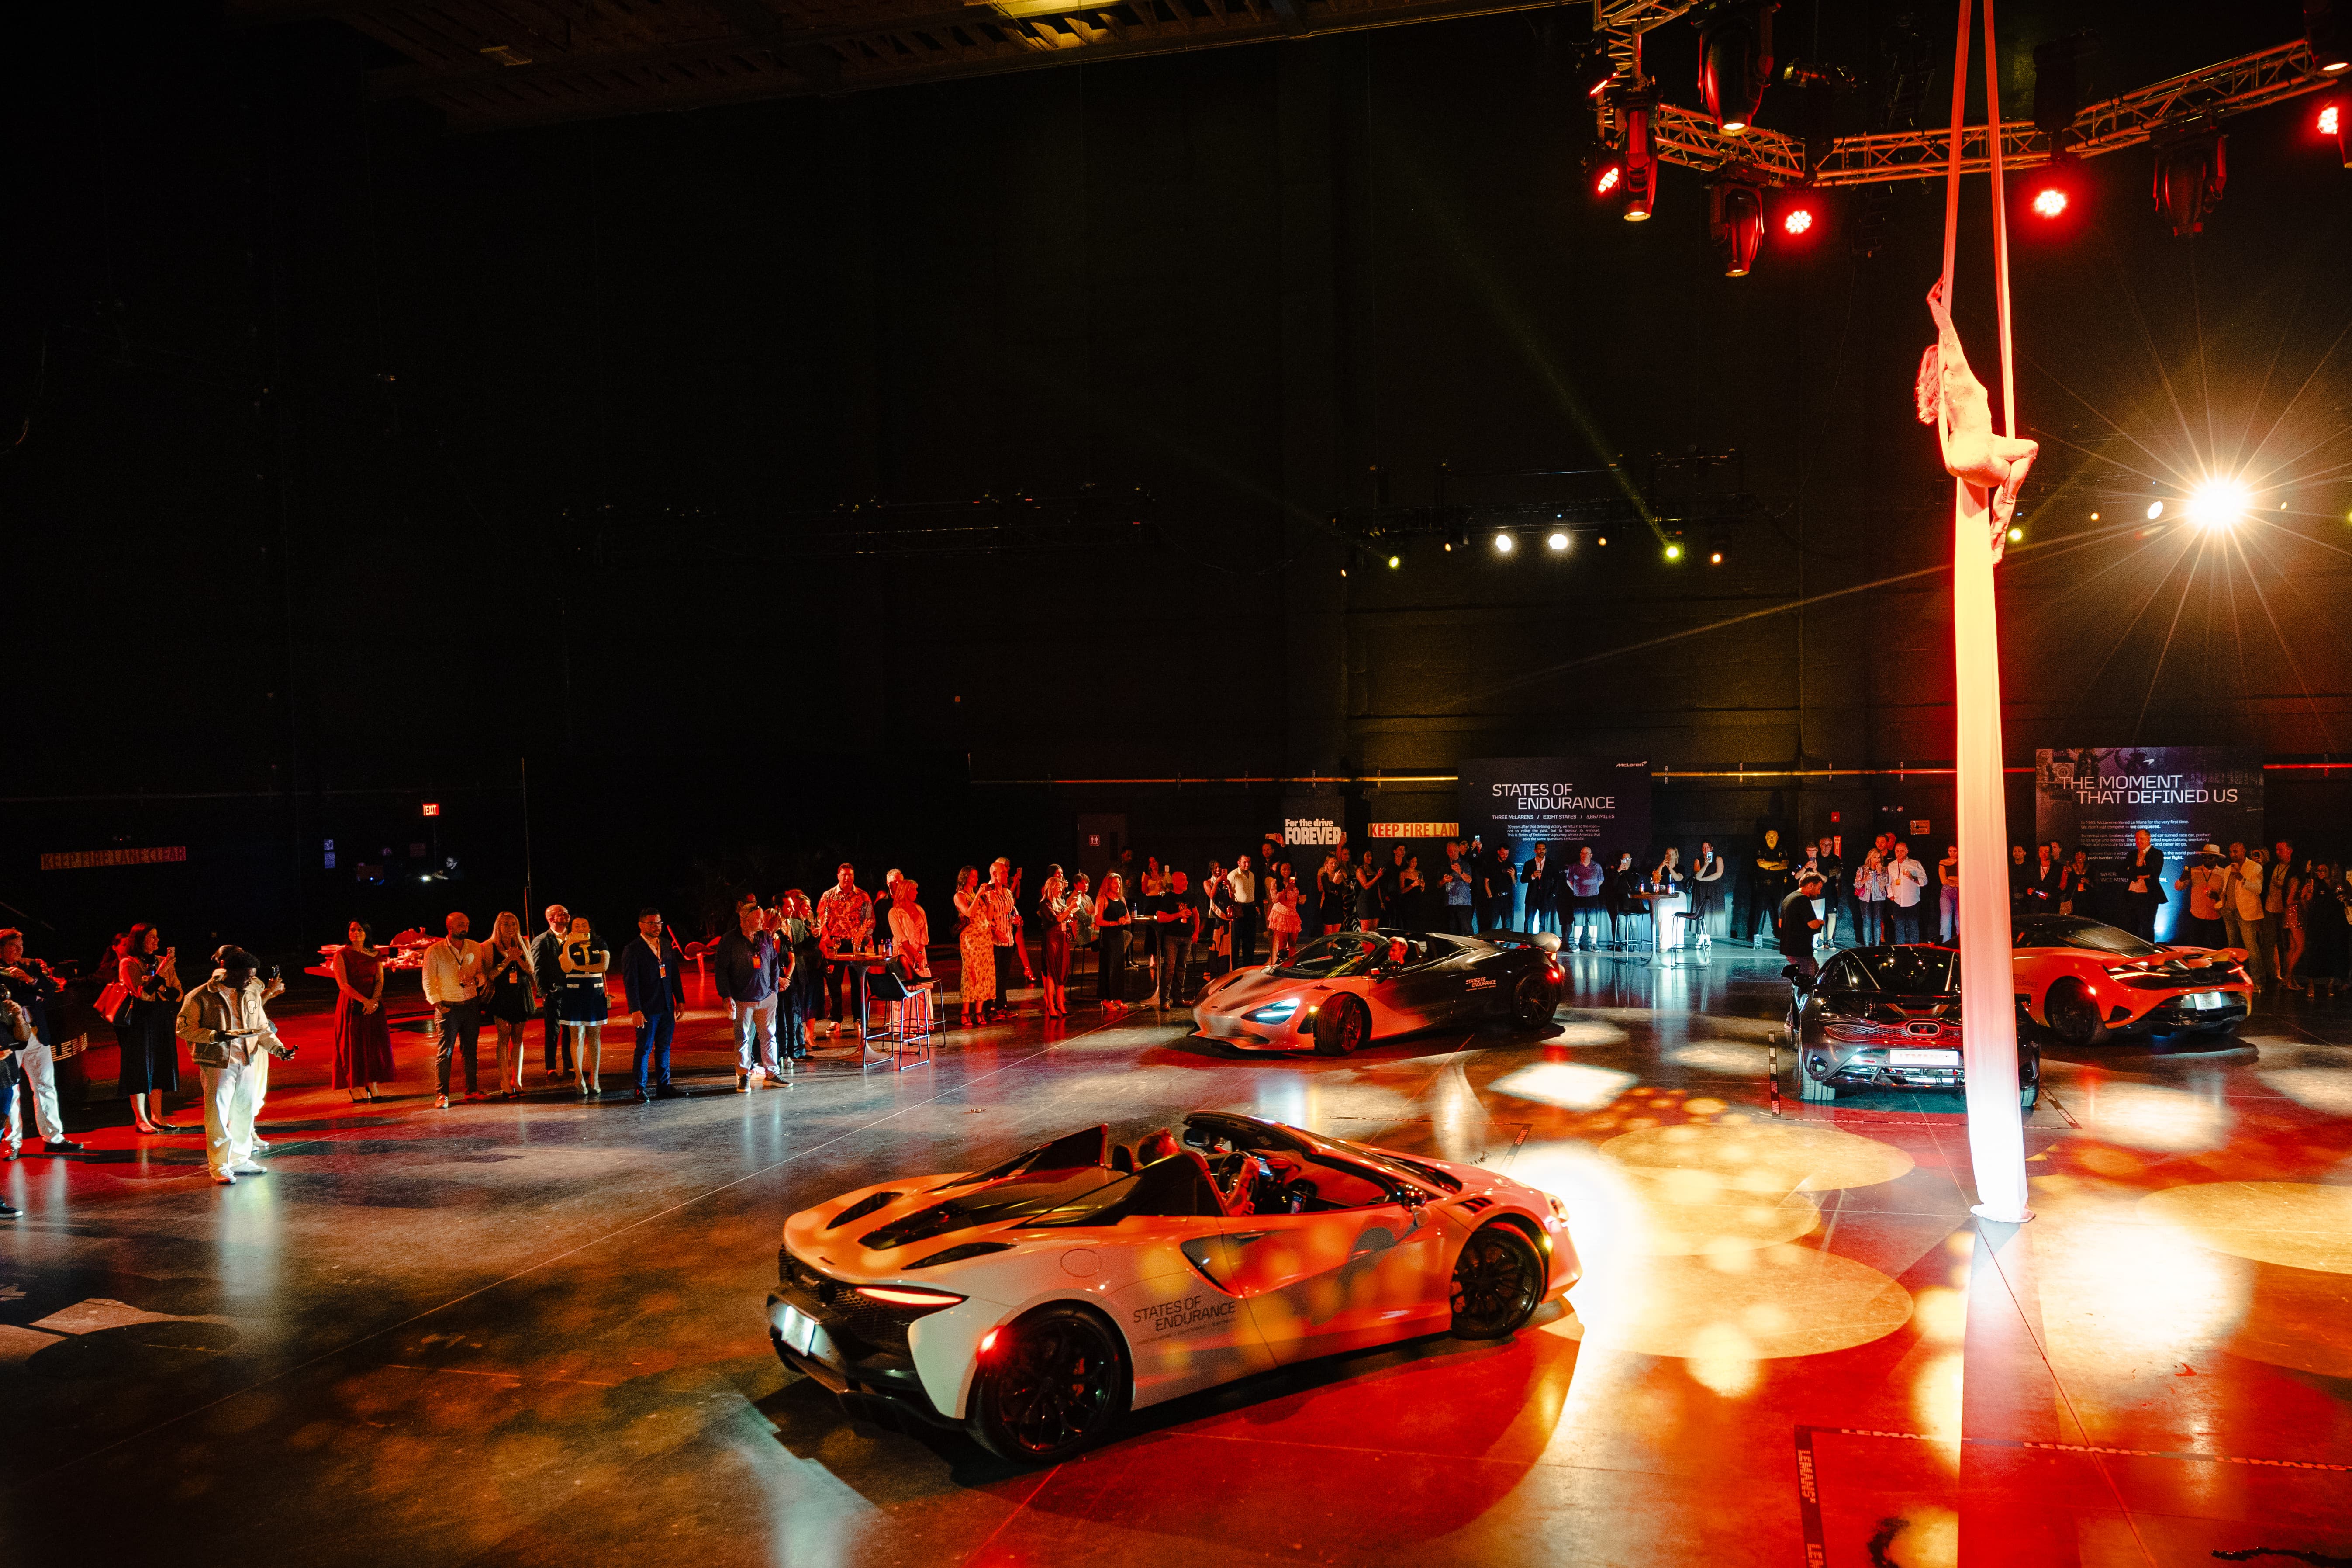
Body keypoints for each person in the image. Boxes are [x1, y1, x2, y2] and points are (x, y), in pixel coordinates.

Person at [1921, 276, 2039, 535]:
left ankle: (1999, 527)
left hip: (1957, 457)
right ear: (1944, 359)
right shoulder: (1958, 372)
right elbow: (1949, 334)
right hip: (1977, 455)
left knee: (2023, 447)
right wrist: (1933, 303)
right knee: (2021, 459)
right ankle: (2002, 518)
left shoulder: (1940, 394)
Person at [175, 947, 294, 1186]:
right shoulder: (201, 996)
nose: (251, 980)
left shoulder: (250, 993)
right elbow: (183, 1029)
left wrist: (279, 1049)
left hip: (247, 1059)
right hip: (218, 1062)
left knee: (245, 1111)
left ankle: (241, 1159)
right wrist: (215, 1036)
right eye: (247, 976)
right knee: (217, 1115)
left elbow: (262, 1028)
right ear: (231, 973)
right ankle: (219, 1165)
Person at [0, 932, 80, 1156]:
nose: (19, 950)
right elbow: (13, 1000)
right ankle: (13, 1143)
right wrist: (34, 995)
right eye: (13, 946)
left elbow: (51, 991)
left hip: (37, 1034)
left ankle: (54, 1138)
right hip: (9, 1039)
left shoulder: (31, 966)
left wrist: (30, 981)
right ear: (1, 949)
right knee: (11, 1092)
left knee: (45, 1086)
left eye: (21, 945)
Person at [115, 923, 184, 1134]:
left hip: (161, 1017)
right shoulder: (129, 963)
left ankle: (158, 1115)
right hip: (138, 1021)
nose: (157, 941)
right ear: (140, 940)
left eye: (157, 937)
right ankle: (141, 1119)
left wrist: (162, 985)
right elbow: (142, 994)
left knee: (161, 1065)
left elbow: (178, 993)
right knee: (139, 1067)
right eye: (152, 937)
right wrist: (162, 980)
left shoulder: (164, 962)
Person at [620, 908, 688, 1102]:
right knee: (644, 1048)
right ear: (641, 925)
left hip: (667, 1006)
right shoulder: (633, 949)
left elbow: (674, 974)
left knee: (664, 1048)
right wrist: (635, 1009)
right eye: (652, 923)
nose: (657, 927)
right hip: (647, 1008)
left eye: (659, 923)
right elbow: (630, 982)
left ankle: (664, 1086)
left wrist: (680, 1000)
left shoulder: (666, 945)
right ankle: (640, 1089)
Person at [717, 896, 784, 1087]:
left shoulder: (764, 937)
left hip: (766, 997)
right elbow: (721, 969)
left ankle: (772, 1074)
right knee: (743, 1038)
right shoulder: (729, 940)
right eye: (759, 919)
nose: (763, 922)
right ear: (745, 920)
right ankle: (744, 1075)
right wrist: (726, 995)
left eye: (763, 918)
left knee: (769, 1036)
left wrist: (773, 991)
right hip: (742, 998)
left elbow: (774, 963)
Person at [421, 911, 487, 1109]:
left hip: (470, 1004)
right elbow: (428, 980)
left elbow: (481, 973)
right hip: (448, 1007)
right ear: (449, 927)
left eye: (467, 924)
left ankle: (472, 1090)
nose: (465, 927)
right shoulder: (435, 951)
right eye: (461, 924)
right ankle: (442, 1094)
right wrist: (438, 1004)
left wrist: (478, 980)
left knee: (471, 1051)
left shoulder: (475, 947)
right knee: (445, 1052)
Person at [331, 919, 394, 1103]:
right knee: (354, 1045)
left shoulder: (375, 954)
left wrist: (374, 1001)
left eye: (359, 930)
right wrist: (365, 1001)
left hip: (373, 1004)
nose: (356, 933)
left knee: (373, 1045)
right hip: (352, 1004)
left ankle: (372, 1083)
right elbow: (343, 984)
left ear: (367, 933)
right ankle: (355, 1085)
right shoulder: (342, 955)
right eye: (352, 930)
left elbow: (380, 981)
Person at [477, 912, 537, 1100]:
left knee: (518, 1037)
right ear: (498, 927)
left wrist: (518, 958)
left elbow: (530, 970)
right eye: (506, 925)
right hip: (501, 995)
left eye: (514, 924)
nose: (510, 928)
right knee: (503, 1036)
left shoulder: (524, 943)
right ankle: (505, 1081)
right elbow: (490, 975)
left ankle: (517, 1080)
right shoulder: (488, 946)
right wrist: (506, 961)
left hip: (520, 993)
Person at [815, 863, 874, 1042]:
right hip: (836, 943)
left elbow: (870, 921)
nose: (847, 878)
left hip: (857, 943)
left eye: (850, 875)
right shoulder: (828, 896)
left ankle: (859, 1018)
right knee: (834, 982)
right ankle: (835, 1019)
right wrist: (826, 941)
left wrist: (863, 940)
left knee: (859, 982)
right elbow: (821, 920)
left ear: (854, 876)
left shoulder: (863, 896)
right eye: (844, 875)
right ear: (838, 876)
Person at [531, 903, 573, 1081]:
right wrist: (544, 992)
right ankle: (551, 1068)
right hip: (553, 992)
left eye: (567, 913)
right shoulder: (542, 940)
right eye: (561, 914)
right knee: (553, 1031)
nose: (566, 916)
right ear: (551, 919)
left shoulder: (573, 938)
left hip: (572, 991)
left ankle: (570, 1066)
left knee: (570, 1031)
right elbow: (537, 968)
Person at [981, 859, 1025, 1020]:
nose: (1008, 875)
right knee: (993, 975)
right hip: (993, 940)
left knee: (1004, 975)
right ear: (994, 874)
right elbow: (984, 918)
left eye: (1007, 872)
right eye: (1004, 873)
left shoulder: (1007, 892)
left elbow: (1011, 910)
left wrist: (1016, 918)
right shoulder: (987, 893)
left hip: (1007, 939)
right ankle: (990, 1008)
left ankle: (1002, 1006)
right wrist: (995, 930)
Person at [888, 879, 933, 1035]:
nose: (917, 893)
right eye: (914, 890)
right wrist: (913, 954)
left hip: (919, 955)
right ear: (906, 892)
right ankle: (903, 1026)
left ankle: (919, 1025)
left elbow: (924, 934)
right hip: (903, 954)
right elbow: (900, 936)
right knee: (905, 987)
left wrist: (920, 953)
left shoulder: (919, 909)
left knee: (919, 987)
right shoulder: (895, 912)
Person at [2297, 863, 2347, 997]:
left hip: (2334, 925)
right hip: (2317, 924)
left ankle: (2330, 985)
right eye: (2318, 870)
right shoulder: (2315, 885)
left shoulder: (2338, 885)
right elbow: (2307, 907)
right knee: (2315, 953)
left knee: (2332, 953)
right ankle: (2311, 985)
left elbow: (2343, 903)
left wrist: (2345, 899)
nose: (2320, 873)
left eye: (2323, 870)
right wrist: (2304, 897)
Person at [953, 867, 993, 1028]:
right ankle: (965, 1011)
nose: (976, 879)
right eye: (973, 876)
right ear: (965, 878)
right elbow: (969, 913)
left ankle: (979, 1011)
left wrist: (989, 900)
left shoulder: (980, 896)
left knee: (984, 974)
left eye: (977, 876)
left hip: (984, 937)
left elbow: (989, 917)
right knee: (971, 974)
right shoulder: (960, 896)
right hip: (970, 938)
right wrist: (978, 895)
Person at [1038, 866, 1076, 1019]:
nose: (1061, 891)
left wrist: (1070, 915)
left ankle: (1061, 1003)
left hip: (1062, 939)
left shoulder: (1059, 902)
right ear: (1051, 888)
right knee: (1052, 973)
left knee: (1062, 972)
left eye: (1061, 888)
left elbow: (1065, 918)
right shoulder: (1045, 904)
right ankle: (1051, 1005)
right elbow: (1055, 920)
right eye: (1058, 888)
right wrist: (1069, 910)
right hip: (1052, 940)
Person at [2173, 845, 2228, 950]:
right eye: (2204, 857)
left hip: (2215, 916)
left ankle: (2216, 966)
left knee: (2217, 947)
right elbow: (2178, 888)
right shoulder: (2194, 871)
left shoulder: (2224, 873)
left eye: (2210, 857)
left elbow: (2226, 895)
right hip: (2197, 916)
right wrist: (2182, 878)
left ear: (2216, 858)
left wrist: (2217, 897)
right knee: (2195, 946)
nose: (2206, 859)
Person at [1158, 870, 1200, 1003]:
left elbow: (1196, 914)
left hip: (1187, 936)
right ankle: (1165, 1000)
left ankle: (1179, 999)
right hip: (1172, 936)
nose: (1187, 882)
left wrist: (1196, 931)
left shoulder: (1189, 897)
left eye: (1187, 880)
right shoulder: (1168, 898)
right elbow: (1160, 918)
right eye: (1183, 880)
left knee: (1182, 968)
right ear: (1175, 882)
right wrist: (1178, 915)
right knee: (1169, 968)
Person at [1779, 872, 1828, 984]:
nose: (1819, 892)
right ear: (1811, 885)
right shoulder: (1803, 900)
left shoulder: (1789, 897)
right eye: (1819, 888)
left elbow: (1781, 923)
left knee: (1816, 975)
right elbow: (1812, 924)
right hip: (1800, 950)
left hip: (1791, 948)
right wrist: (1820, 922)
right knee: (1807, 980)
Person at [1095, 873, 1133, 1012]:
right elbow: (1098, 921)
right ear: (1108, 885)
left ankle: (1118, 997)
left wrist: (1124, 921)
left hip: (1119, 937)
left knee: (1118, 968)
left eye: (1119, 883)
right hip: (1109, 937)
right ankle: (1106, 999)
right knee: (1109, 967)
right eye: (1115, 883)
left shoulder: (1122, 899)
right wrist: (1115, 923)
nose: (1118, 886)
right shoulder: (1103, 899)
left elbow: (1128, 918)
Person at [2121, 829, 2165, 943]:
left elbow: (2154, 873)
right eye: (2136, 839)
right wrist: (2142, 874)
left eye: (2142, 839)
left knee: (2147, 928)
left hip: (2148, 897)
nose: (2139, 841)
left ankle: (2149, 953)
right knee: (2131, 928)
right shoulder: (2131, 855)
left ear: (2149, 839)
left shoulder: (2157, 854)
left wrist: (2132, 870)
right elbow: (2121, 871)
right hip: (2131, 896)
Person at [1748, 830, 1790, 946]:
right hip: (1763, 886)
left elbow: (1785, 865)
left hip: (1779, 886)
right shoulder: (1761, 850)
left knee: (1780, 912)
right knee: (1760, 911)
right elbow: (1761, 864)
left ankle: (1781, 937)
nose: (1771, 839)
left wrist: (1769, 867)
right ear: (1766, 838)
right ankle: (1757, 938)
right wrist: (1776, 864)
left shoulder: (1782, 850)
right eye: (1769, 837)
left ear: (1777, 838)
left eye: (1773, 837)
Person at [2266, 841, 2299, 989]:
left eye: (2281, 849)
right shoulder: (2272, 866)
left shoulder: (2294, 868)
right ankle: (2275, 975)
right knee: (2270, 942)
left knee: (2288, 945)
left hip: (2286, 910)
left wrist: (2284, 886)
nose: (2278, 852)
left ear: (2290, 850)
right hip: (2271, 908)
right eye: (2277, 850)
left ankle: (2289, 976)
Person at [1884, 841, 1929, 944]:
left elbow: (1925, 881)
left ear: (1907, 851)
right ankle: (1901, 949)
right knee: (1899, 927)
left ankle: (1914, 949)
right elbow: (1888, 882)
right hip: (1897, 901)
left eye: (1902, 851)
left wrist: (1912, 877)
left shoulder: (1915, 864)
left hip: (1912, 901)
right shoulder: (1891, 865)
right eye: (1897, 851)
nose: (1899, 853)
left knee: (1913, 926)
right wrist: (1891, 895)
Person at [1565, 846, 1606, 949]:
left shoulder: (1597, 867)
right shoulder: (1574, 866)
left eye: (1587, 853)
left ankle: (1594, 945)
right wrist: (1577, 890)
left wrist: (1592, 889)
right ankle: (1576, 944)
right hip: (1579, 898)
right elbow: (1569, 881)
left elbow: (1601, 880)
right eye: (1583, 853)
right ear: (1580, 854)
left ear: (1591, 855)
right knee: (1578, 921)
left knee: (1593, 922)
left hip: (1593, 898)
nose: (1585, 855)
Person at [1650, 846, 1688, 952]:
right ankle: (1665, 945)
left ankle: (1678, 945)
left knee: (1679, 920)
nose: (1670, 856)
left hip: (1679, 895)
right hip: (1664, 895)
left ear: (1676, 856)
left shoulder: (1681, 868)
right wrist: (1662, 866)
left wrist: (1671, 868)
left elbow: (1678, 878)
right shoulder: (1662, 868)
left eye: (1672, 854)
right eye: (1668, 854)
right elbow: (1654, 879)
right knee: (1664, 919)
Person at [1227, 855, 1261, 970]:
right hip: (1239, 909)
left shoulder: (1252, 875)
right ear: (1239, 863)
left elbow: (1252, 893)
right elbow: (1228, 893)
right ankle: (1234, 970)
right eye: (1245, 862)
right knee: (1236, 942)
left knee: (1250, 941)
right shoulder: (1233, 875)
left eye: (1249, 862)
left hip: (1250, 910)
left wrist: (1255, 906)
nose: (1247, 865)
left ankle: (1248, 969)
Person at [1689, 842, 1725, 946]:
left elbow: (1718, 874)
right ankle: (1702, 937)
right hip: (1700, 890)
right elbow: (1697, 875)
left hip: (1714, 890)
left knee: (1711, 914)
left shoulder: (1718, 859)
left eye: (1707, 847)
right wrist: (1706, 865)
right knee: (1701, 914)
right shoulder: (1698, 860)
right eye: (1703, 848)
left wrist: (1703, 879)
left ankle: (1705, 937)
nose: (1705, 850)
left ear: (1712, 848)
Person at [1810, 838, 1844, 948]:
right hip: (1818, 890)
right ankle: (1820, 939)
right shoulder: (1816, 858)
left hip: (1831, 891)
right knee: (1819, 915)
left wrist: (1820, 873)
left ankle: (1830, 940)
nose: (1826, 847)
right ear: (1820, 845)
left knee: (1832, 915)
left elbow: (1836, 871)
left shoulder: (1835, 858)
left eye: (1829, 845)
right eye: (1824, 845)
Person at [1853, 848, 1890, 946]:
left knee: (1877, 921)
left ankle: (1877, 945)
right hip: (1865, 898)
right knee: (1867, 921)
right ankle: (1867, 945)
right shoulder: (1862, 869)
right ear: (1870, 858)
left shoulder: (1883, 870)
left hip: (1879, 898)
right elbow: (1856, 885)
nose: (1877, 860)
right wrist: (1865, 879)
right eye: (1875, 857)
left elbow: (1884, 885)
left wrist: (1879, 873)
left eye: (1879, 858)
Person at [1519, 843, 1558, 936]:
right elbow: (1523, 880)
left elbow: (1557, 880)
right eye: (1539, 849)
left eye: (1544, 849)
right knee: (1529, 921)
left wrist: (1552, 894)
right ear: (1535, 851)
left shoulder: (1551, 863)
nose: (1542, 851)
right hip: (1532, 897)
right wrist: (1532, 876)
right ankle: (1527, 942)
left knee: (1544, 923)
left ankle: (1541, 944)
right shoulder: (1529, 864)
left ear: (1546, 850)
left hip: (1546, 897)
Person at [1605, 852, 1642, 946]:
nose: (1626, 861)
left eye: (1628, 859)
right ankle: (1622, 944)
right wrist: (1618, 871)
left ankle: (1635, 945)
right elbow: (1613, 884)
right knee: (1622, 924)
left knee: (1633, 924)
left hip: (1632, 901)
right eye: (1624, 859)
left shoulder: (1634, 870)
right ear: (1621, 860)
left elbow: (1634, 883)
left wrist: (1627, 870)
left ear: (1631, 860)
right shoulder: (1617, 870)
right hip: (1621, 901)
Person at [1480, 846, 1516, 934]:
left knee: (1508, 926)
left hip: (1507, 899)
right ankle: (1491, 945)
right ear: (1499, 852)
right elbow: (1486, 882)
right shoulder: (1491, 865)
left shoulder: (1511, 865)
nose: (1505, 856)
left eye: (1507, 854)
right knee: (1492, 925)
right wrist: (1490, 896)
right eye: (1503, 853)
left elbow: (1515, 884)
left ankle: (1507, 945)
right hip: (1495, 899)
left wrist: (1513, 876)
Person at [1440, 850, 1477, 935]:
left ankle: (1470, 948)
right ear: (1447, 852)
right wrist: (1443, 881)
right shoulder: (1444, 866)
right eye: (1450, 851)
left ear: (1458, 851)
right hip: (1449, 903)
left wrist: (1460, 872)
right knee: (1452, 931)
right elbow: (1438, 884)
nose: (1452, 853)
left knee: (1467, 929)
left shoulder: (1465, 865)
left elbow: (1470, 880)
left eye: (1454, 851)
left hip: (1463, 902)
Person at [1352, 848, 1385, 933]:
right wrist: (1377, 877)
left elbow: (1377, 887)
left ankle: (1373, 946)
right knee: (1366, 929)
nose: (1370, 858)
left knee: (1374, 929)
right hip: (1365, 902)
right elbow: (1366, 886)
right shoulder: (1360, 870)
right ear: (1362, 857)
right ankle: (1364, 946)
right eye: (1367, 856)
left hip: (1375, 901)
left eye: (1371, 856)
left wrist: (1381, 902)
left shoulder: (1373, 869)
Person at [2059, 848, 2094, 918]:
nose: (2080, 856)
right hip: (2072, 903)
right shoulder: (2069, 869)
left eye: (2083, 854)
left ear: (2087, 856)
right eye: (2077, 854)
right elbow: (2063, 888)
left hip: (2087, 902)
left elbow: (2099, 887)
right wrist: (2066, 874)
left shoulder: (2092, 869)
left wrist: (2088, 882)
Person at [1937, 845, 1961, 942]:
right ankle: (1945, 944)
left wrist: (1952, 878)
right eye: (1950, 851)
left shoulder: (1962, 862)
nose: (1952, 853)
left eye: (1955, 851)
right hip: (1947, 891)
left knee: (1960, 920)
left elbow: (1966, 878)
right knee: (1946, 920)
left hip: (1960, 891)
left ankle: (1961, 945)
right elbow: (1944, 881)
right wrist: (1957, 880)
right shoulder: (1943, 862)